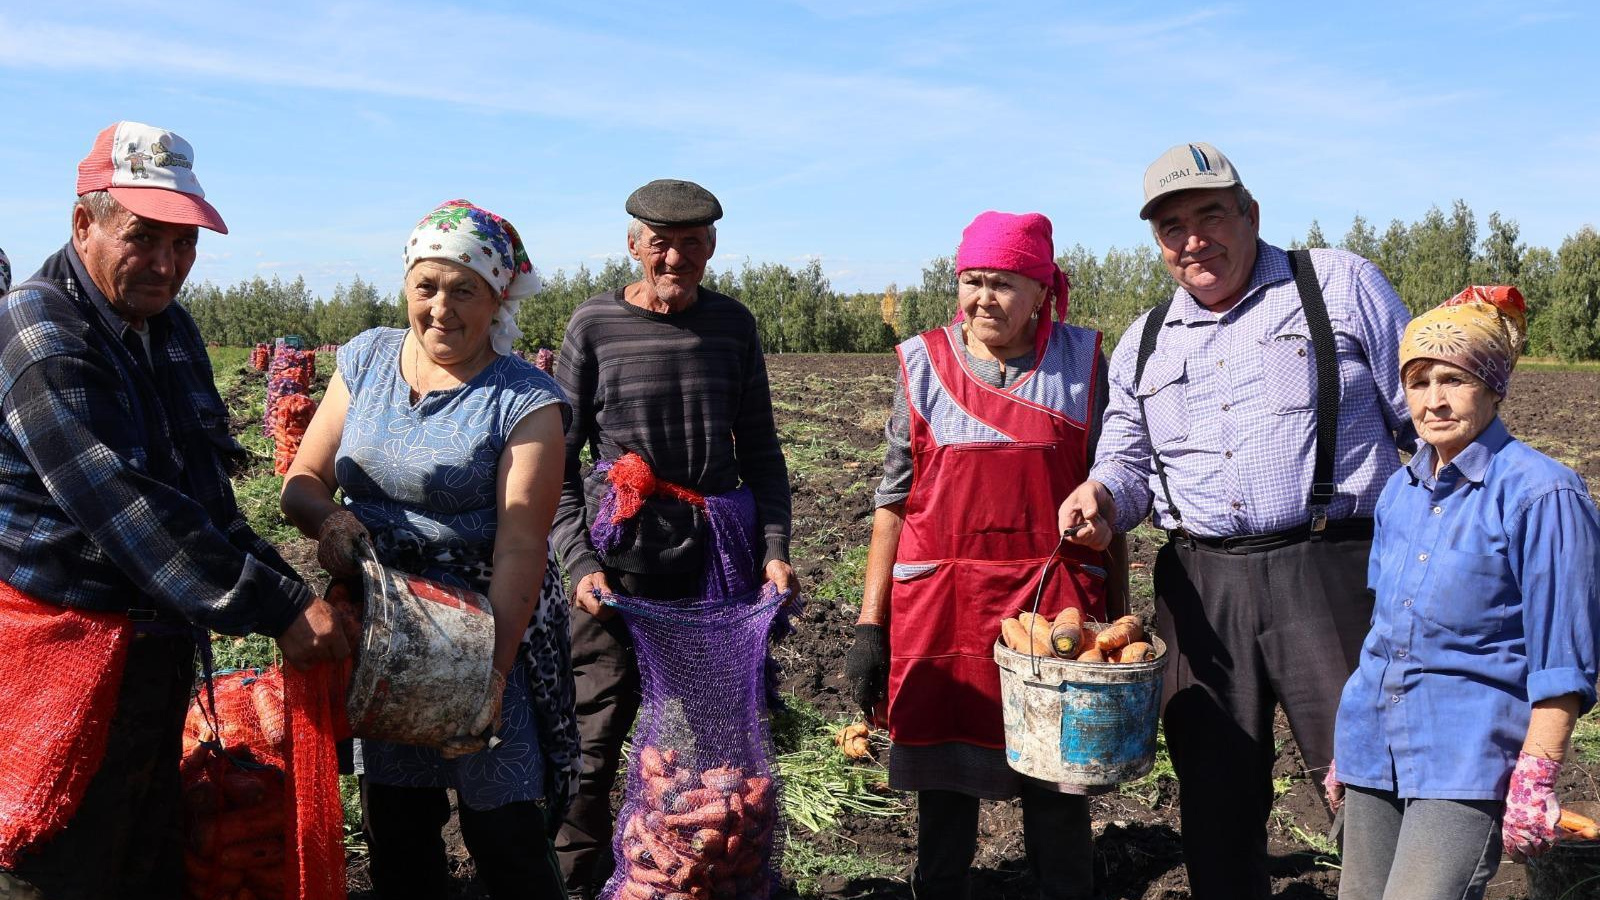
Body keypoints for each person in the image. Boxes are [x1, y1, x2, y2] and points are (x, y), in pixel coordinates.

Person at [0, 121, 349, 897]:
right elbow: (126, 507)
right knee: (55, 854)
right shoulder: (40, 328)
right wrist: (281, 604)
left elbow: (206, 500)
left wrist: (278, 586)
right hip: (61, 648)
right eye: (145, 237)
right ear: (84, 223)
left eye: (184, 244)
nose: (167, 264)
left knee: (143, 839)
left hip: (148, 651)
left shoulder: (170, 326)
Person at [1058, 142, 1414, 900]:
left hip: (1335, 571)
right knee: (1216, 800)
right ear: (1158, 243)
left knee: (1373, 781)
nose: (1194, 240)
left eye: (1211, 215)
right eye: (1172, 227)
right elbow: (1128, 465)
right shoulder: (1144, 340)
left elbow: (1424, 420)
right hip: (1201, 586)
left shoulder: (1339, 285)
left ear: (1250, 213)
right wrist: (1101, 497)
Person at [280, 199, 578, 899]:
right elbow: (303, 479)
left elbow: (521, 548)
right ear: (407, 286)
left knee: (504, 834)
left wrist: (491, 678)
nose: (442, 308)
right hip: (383, 630)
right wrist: (327, 522)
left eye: (464, 289)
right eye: (427, 286)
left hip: (483, 627)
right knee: (399, 829)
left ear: (496, 297)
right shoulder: (368, 358)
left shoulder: (526, 400)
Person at [845, 211, 1116, 900]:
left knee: (1057, 789)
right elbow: (892, 502)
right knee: (943, 788)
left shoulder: (1082, 366)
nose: (983, 299)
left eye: (1002, 283)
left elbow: (1112, 493)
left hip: (1051, 611)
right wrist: (870, 626)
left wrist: (1117, 617)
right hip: (942, 610)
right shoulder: (922, 364)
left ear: (1041, 291)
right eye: (971, 281)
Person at [550, 178, 795, 898]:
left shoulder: (732, 325)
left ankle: (705, 880)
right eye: (660, 243)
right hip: (614, 578)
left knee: (721, 754)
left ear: (711, 248)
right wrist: (578, 561)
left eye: (692, 244)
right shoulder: (592, 324)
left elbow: (762, 452)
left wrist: (775, 549)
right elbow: (558, 464)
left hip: (712, 574)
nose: (675, 257)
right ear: (633, 246)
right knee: (591, 745)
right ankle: (574, 879)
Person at [1326, 286, 1600, 899]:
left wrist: (1537, 772)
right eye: (1419, 383)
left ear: (1494, 387)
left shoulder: (1543, 495)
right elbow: (1384, 634)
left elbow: (1564, 657)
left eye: (1456, 379)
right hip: (1377, 744)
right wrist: (1351, 746)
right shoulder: (1399, 492)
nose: (1435, 401)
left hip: (1467, 757)